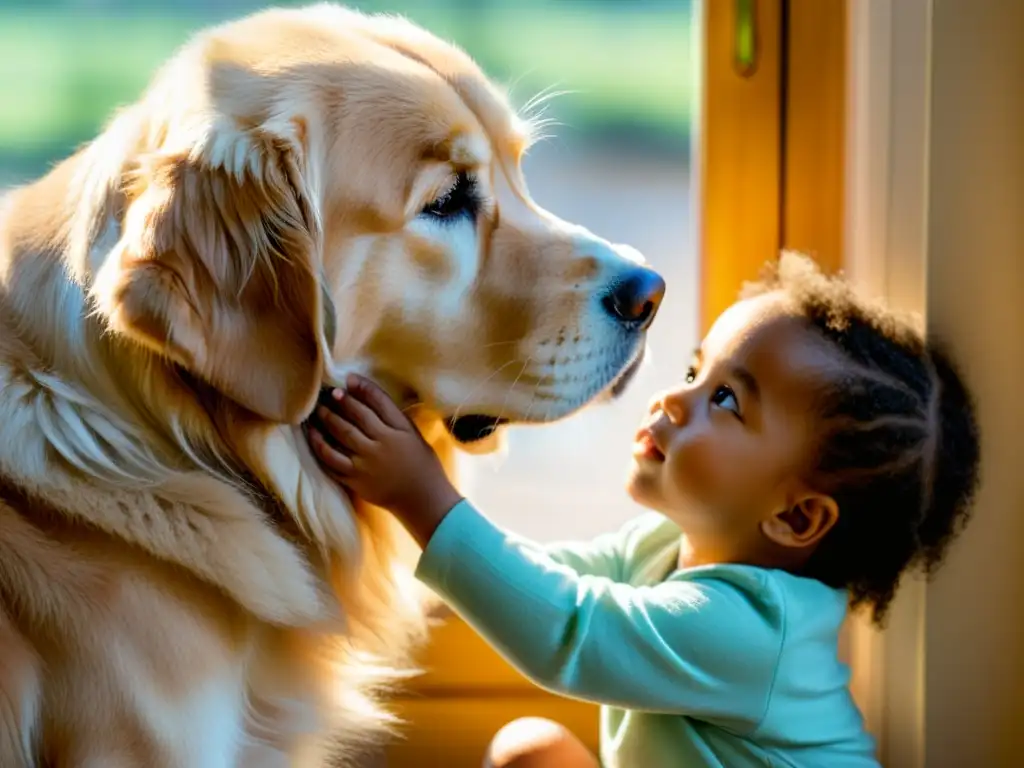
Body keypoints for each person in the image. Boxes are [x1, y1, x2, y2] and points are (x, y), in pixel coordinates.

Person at [306, 253, 981, 768]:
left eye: (726, 402)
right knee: (532, 749)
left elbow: (570, 630)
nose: (672, 401)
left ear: (797, 517)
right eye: (695, 372)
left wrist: (420, 496)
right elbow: (536, 580)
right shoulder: (664, 548)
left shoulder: (752, 630)